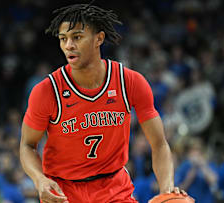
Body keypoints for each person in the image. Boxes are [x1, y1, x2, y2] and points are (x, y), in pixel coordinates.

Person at [20, 3, 186, 203]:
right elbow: (27, 145)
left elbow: (159, 143)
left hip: (114, 189)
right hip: (63, 191)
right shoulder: (47, 91)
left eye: (77, 37)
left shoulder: (129, 82)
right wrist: (39, 180)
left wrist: (167, 190)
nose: (68, 45)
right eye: (63, 39)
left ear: (99, 38)